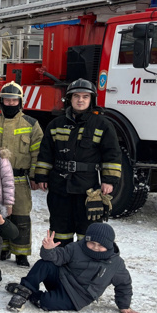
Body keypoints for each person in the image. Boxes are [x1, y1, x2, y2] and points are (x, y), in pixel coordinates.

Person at [35, 79, 122, 247]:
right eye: (76, 96)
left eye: (85, 97)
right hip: (60, 187)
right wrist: (41, 176)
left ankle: (84, 268)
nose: (80, 100)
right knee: (59, 231)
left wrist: (109, 181)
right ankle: (60, 266)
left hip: (88, 189)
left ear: (91, 100)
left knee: (87, 233)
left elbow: (112, 154)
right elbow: (46, 153)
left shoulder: (103, 125)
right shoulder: (56, 124)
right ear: (69, 99)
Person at [6, 223, 141, 313]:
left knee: (46, 303)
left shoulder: (115, 264)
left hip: (76, 296)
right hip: (61, 278)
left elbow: (124, 284)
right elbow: (58, 257)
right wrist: (48, 250)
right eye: (92, 243)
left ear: (109, 245)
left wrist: (124, 305)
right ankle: (24, 291)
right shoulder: (76, 247)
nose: (95, 247)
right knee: (45, 263)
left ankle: (33, 295)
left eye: (100, 245)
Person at [0, 81, 44, 267]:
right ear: (1, 102)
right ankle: (4, 248)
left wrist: (34, 176)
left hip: (20, 179)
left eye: (14, 101)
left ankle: (21, 253)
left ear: (20, 102)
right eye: (6, 101)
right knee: (1, 214)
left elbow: (37, 152)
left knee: (21, 216)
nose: (10, 104)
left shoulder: (31, 124)